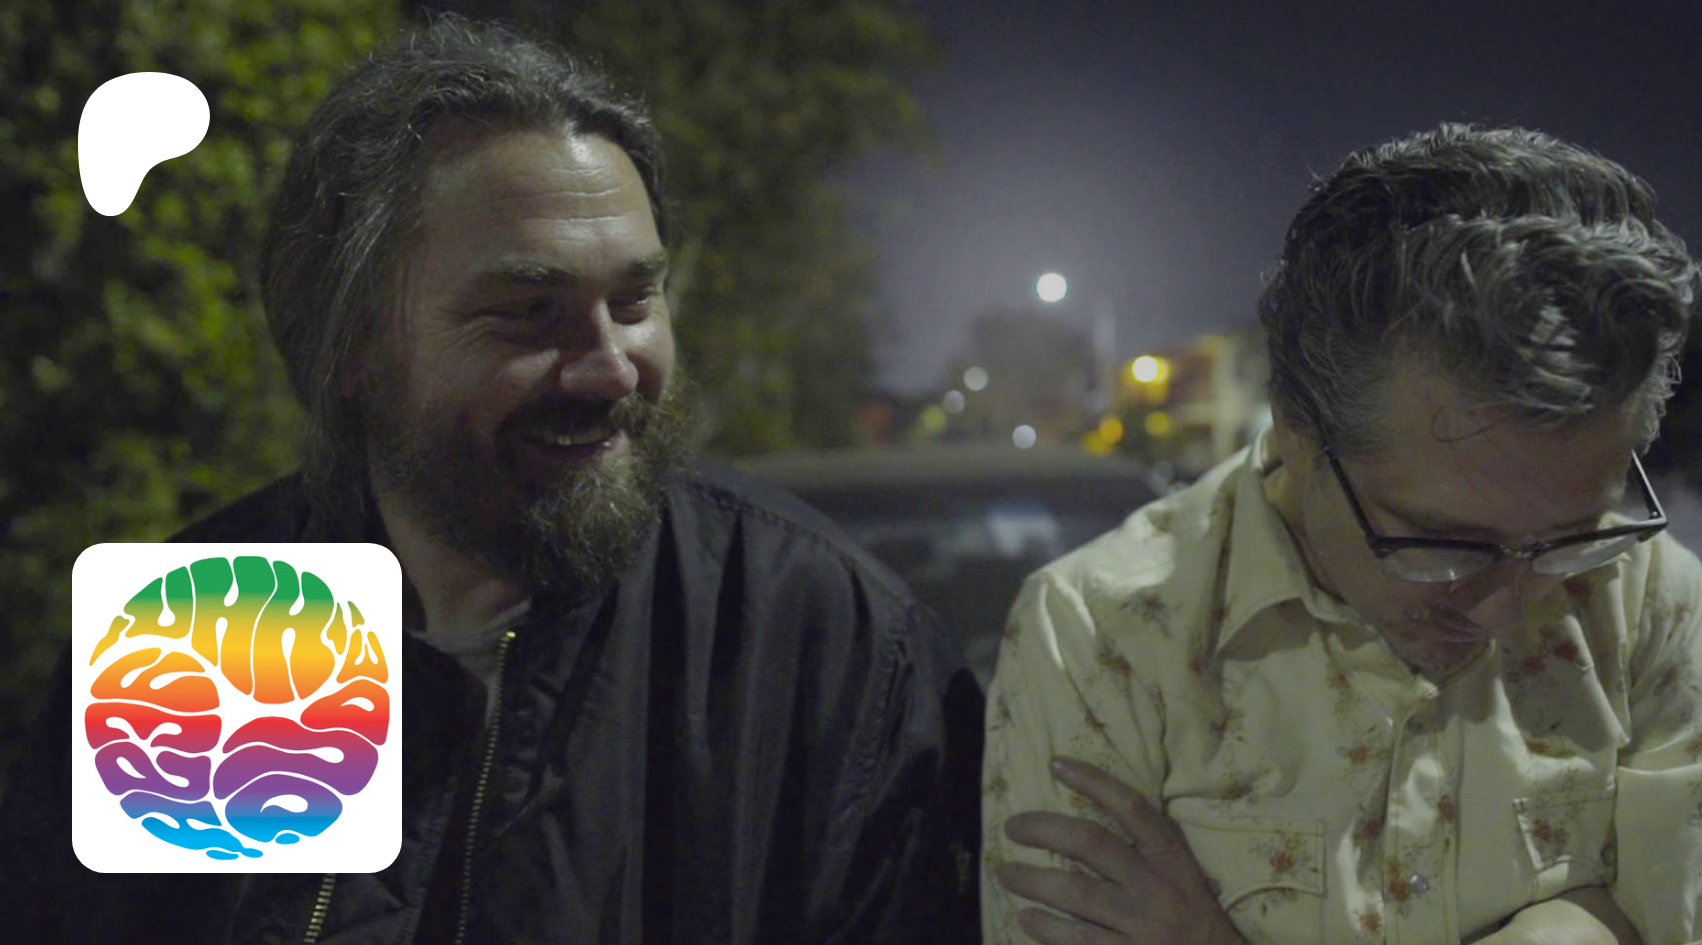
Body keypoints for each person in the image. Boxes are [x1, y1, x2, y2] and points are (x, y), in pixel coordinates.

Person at [0, 16, 982, 944]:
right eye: (528, 311)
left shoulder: (819, 646)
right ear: (354, 343)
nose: (609, 369)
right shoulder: (204, 633)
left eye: (633, 301)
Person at [981, 123, 1702, 944]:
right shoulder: (1102, 633)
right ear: (1297, 428)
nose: (1504, 610)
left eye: (1568, 536)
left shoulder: (1648, 600)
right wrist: (1588, 925)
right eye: (1443, 543)